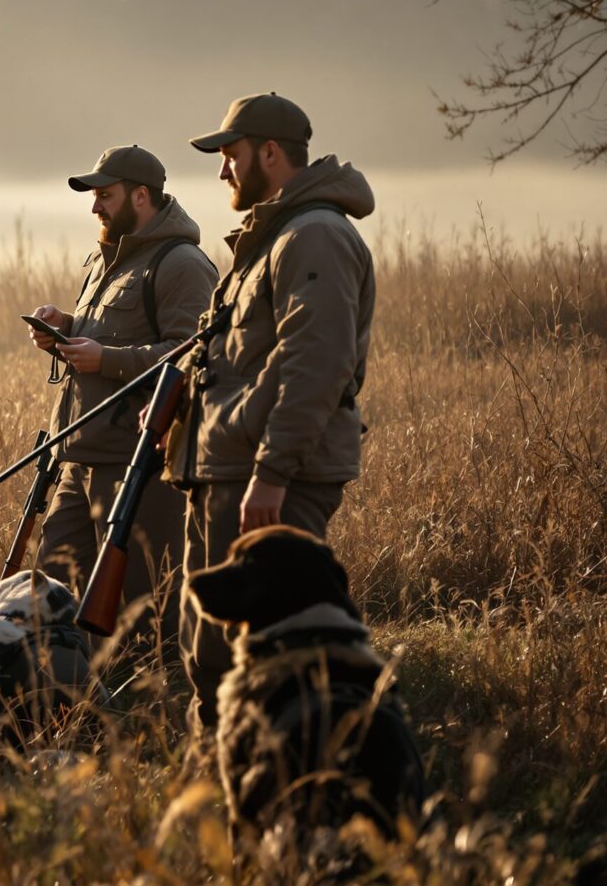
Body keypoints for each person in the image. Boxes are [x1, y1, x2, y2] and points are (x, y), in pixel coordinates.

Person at [170, 92, 376, 733]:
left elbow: (314, 367)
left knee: (266, 659)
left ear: (269, 153)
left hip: (266, 478)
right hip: (230, 468)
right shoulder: (272, 237)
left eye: (231, 155)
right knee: (211, 650)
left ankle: (283, 783)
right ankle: (219, 779)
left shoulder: (313, 236)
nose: (223, 171)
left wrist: (273, 472)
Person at [28, 145, 215, 649]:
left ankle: (152, 712)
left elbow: (192, 353)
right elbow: (107, 332)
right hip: (79, 457)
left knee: (142, 609)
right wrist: (65, 329)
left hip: (138, 463)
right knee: (56, 597)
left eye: (104, 196)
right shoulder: (100, 259)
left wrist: (106, 358)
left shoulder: (183, 264)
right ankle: (74, 711)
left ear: (141, 195)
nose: (95, 207)